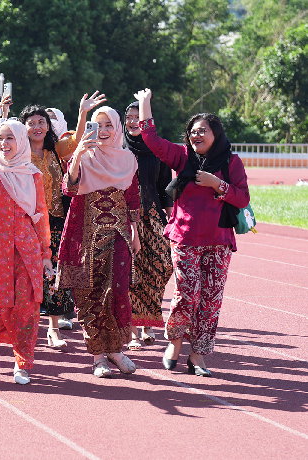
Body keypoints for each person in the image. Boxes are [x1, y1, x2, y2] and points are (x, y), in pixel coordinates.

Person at [134, 88, 250, 376]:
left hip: (219, 240)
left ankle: (198, 355)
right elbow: (152, 140)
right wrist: (145, 103)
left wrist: (217, 184)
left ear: (216, 134)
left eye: (202, 131)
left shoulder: (231, 162)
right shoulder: (183, 156)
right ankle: (174, 341)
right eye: (192, 131)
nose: (196, 136)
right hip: (185, 237)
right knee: (187, 292)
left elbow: (243, 198)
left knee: (211, 298)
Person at [55, 97, 141, 378]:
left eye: (108, 125)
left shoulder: (128, 160)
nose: (102, 130)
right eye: (98, 124)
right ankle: (97, 357)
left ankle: (115, 350)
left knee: (116, 291)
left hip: (118, 235)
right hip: (84, 234)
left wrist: (136, 233)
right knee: (88, 294)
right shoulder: (83, 156)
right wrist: (78, 154)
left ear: (116, 128)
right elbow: (68, 188)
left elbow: (132, 198)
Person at [0, 119, 52, 385]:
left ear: (21, 141)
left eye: (10, 138)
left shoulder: (33, 174)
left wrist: (46, 254)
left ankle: (23, 364)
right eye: (1, 139)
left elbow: (41, 215)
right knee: (1, 304)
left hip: (26, 247)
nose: (4, 144)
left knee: (28, 307)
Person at [20, 105, 81, 350]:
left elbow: (76, 141)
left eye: (41, 122)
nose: (37, 127)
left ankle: (53, 330)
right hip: (25, 223)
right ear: (23, 127)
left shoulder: (55, 150)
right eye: (31, 122)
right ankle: (26, 327)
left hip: (55, 221)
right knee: (25, 276)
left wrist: (82, 111)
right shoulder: (18, 153)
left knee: (53, 275)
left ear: (48, 126)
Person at [122, 101, 174, 350]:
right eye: (129, 117)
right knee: (130, 273)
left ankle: (147, 323)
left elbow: (165, 185)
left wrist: (170, 218)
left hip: (153, 216)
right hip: (124, 217)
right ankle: (132, 333)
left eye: (137, 117)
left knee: (160, 267)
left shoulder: (156, 149)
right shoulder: (116, 147)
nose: (133, 121)